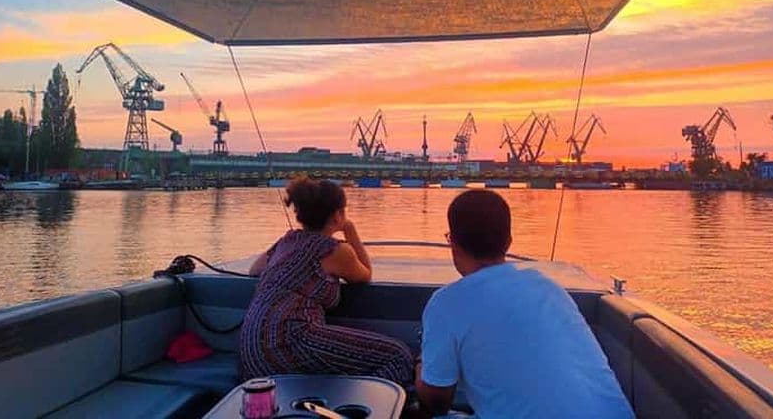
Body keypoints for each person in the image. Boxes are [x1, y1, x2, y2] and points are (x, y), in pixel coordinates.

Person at [415, 190, 633, 419]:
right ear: (508, 242)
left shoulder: (446, 303)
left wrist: (421, 365)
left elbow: (436, 402)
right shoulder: (550, 289)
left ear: (454, 243)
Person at [240, 177, 414, 385]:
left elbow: (254, 271)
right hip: (287, 342)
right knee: (399, 357)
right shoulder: (334, 250)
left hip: (252, 350)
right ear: (337, 215)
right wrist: (350, 230)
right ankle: (362, 405)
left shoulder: (287, 240)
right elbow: (365, 274)